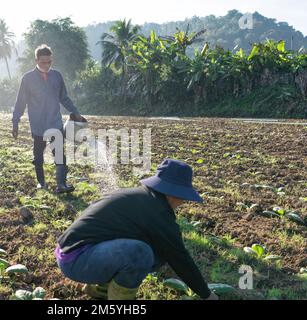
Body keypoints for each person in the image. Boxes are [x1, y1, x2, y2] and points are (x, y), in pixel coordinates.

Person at [55, 159, 219, 300]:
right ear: (172, 193)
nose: (183, 201)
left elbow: (169, 252)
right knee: (140, 253)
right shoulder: (158, 211)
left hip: (75, 253)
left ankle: (99, 290)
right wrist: (207, 294)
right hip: (77, 260)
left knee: (157, 253)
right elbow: (180, 257)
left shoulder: (143, 198)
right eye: (183, 196)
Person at [12, 44, 86, 193]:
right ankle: (41, 182)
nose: (46, 65)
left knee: (59, 155)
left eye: (49, 62)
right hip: (38, 125)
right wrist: (15, 122)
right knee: (38, 158)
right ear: (36, 60)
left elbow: (64, 98)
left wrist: (75, 112)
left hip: (55, 122)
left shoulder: (57, 76)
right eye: (43, 62)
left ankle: (61, 184)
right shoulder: (27, 79)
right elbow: (21, 102)